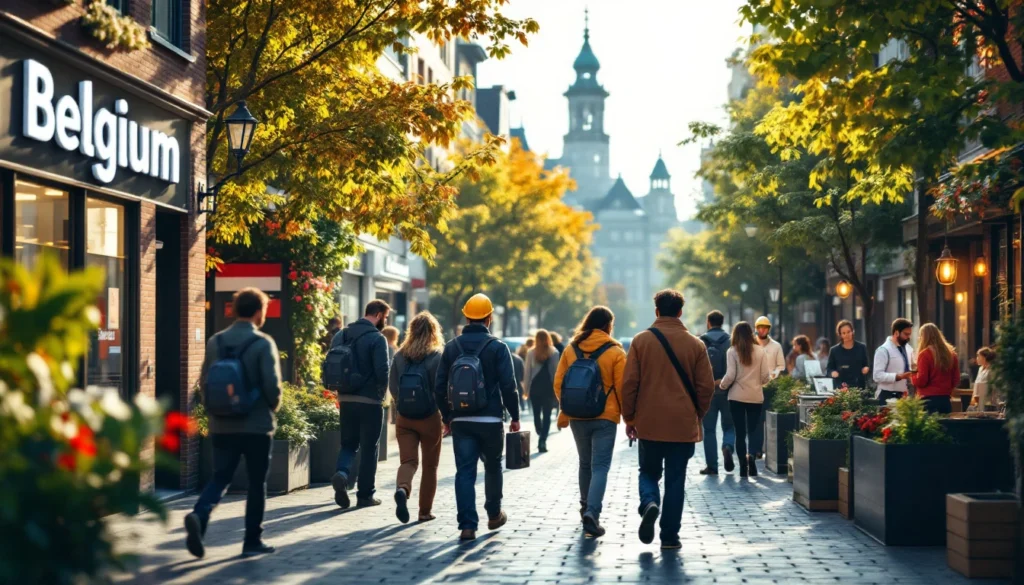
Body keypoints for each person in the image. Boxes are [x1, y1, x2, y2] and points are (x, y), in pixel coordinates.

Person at [185, 288, 283, 558]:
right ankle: (252, 541)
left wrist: (215, 412)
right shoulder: (262, 343)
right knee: (256, 483)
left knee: (220, 477)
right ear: (258, 311)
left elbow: (204, 381)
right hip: (256, 426)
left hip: (221, 424)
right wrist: (271, 409)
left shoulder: (216, 341)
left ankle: (200, 514)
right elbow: (272, 387)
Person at [622, 290, 715, 550]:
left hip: (649, 422)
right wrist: (698, 413)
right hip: (682, 424)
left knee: (649, 472)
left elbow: (629, 383)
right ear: (680, 312)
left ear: (656, 311)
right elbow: (706, 387)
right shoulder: (696, 345)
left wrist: (629, 417)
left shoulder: (641, 341)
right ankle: (670, 537)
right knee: (676, 479)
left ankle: (650, 502)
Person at [434, 293, 521, 541]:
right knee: (493, 467)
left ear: (466, 316)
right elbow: (509, 385)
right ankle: (494, 514)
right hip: (491, 420)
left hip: (461, 420)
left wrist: (447, 416)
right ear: (489, 318)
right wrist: (514, 415)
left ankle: (467, 526)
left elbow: (439, 386)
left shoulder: (452, 347)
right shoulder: (498, 347)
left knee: (464, 472)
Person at [553, 306, 626, 537]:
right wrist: (628, 416)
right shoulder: (615, 352)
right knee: (600, 466)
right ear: (608, 326)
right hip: (605, 416)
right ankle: (592, 514)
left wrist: (572, 404)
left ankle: (584, 506)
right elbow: (623, 387)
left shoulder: (571, 349)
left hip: (577, 416)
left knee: (585, 463)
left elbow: (559, 384)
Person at [330, 300, 392, 509]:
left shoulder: (341, 335)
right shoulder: (377, 338)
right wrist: (381, 395)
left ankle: (342, 473)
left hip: (345, 398)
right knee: (369, 448)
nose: (386, 321)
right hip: (369, 401)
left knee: (348, 443)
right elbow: (382, 372)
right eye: (385, 317)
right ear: (377, 314)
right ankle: (365, 495)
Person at [388, 312, 445, 524]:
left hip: (404, 417)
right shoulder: (436, 356)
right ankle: (424, 512)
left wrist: (404, 404)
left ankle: (403, 488)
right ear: (433, 332)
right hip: (429, 417)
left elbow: (393, 386)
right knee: (430, 466)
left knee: (408, 461)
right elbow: (440, 389)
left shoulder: (399, 355)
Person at [720, 322, 771, 478]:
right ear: (751, 334)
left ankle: (743, 466)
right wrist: (756, 383)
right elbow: (765, 377)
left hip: (736, 397)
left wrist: (722, 386)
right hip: (755, 397)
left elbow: (731, 375)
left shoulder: (732, 352)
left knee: (740, 433)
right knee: (753, 431)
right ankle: (752, 459)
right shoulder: (761, 351)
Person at [698, 310, 736, 476]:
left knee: (709, 430)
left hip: (708, 393)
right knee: (729, 426)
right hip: (728, 391)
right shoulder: (731, 341)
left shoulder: (701, 341)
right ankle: (727, 446)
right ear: (722, 322)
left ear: (708, 322)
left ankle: (712, 466)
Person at [751, 316, 784, 459]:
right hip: (754, 386)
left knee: (768, 419)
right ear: (756, 328)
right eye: (759, 327)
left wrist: (775, 373)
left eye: (765, 327)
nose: (762, 330)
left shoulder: (776, 346)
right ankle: (757, 449)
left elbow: (781, 364)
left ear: (768, 329)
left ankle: (768, 449)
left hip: (770, 387)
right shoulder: (751, 345)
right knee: (756, 420)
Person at [911, 323, 960, 414]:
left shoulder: (925, 354)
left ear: (924, 337)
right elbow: (956, 378)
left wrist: (913, 375)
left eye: (920, 336)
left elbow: (921, 380)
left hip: (928, 400)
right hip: (945, 400)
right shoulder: (951, 354)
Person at [524, 330, 560, 452]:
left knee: (536, 414)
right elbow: (556, 373)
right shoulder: (554, 352)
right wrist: (557, 390)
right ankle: (543, 439)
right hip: (548, 389)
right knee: (547, 415)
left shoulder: (531, 352)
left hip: (535, 388)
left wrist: (525, 390)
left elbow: (527, 372)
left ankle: (539, 431)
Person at [872, 319, 915, 405]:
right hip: (887, 394)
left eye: (909, 334)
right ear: (896, 333)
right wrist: (898, 376)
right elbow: (877, 376)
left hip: (904, 395)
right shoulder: (883, 350)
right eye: (906, 334)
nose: (908, 337)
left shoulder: (909, 349)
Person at [826, 320, 870, 389]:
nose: (846, 335)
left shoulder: (861, 347)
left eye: (849, 332)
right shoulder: (834, 350)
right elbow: (829, 369)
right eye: (843, 333)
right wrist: (832, 373)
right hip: (841, 387)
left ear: (853, 331)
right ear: (840, 335)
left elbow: (867, 364)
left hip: (858, 386)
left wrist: (866, 368)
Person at [971, 347, 997, 411]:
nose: (977, 358)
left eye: (978, 356)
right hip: (978, 402)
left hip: (988, 403)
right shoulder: (980, 369)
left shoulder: (992, 370)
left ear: (984, 357)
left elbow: (995, 387)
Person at [511, 348, 527, 415]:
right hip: (518, 379)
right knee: (519, 394)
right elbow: (523, 370)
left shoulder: (505, 358)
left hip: (510, 379)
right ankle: (522, 407)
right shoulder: (518, 359)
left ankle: (513, 409)